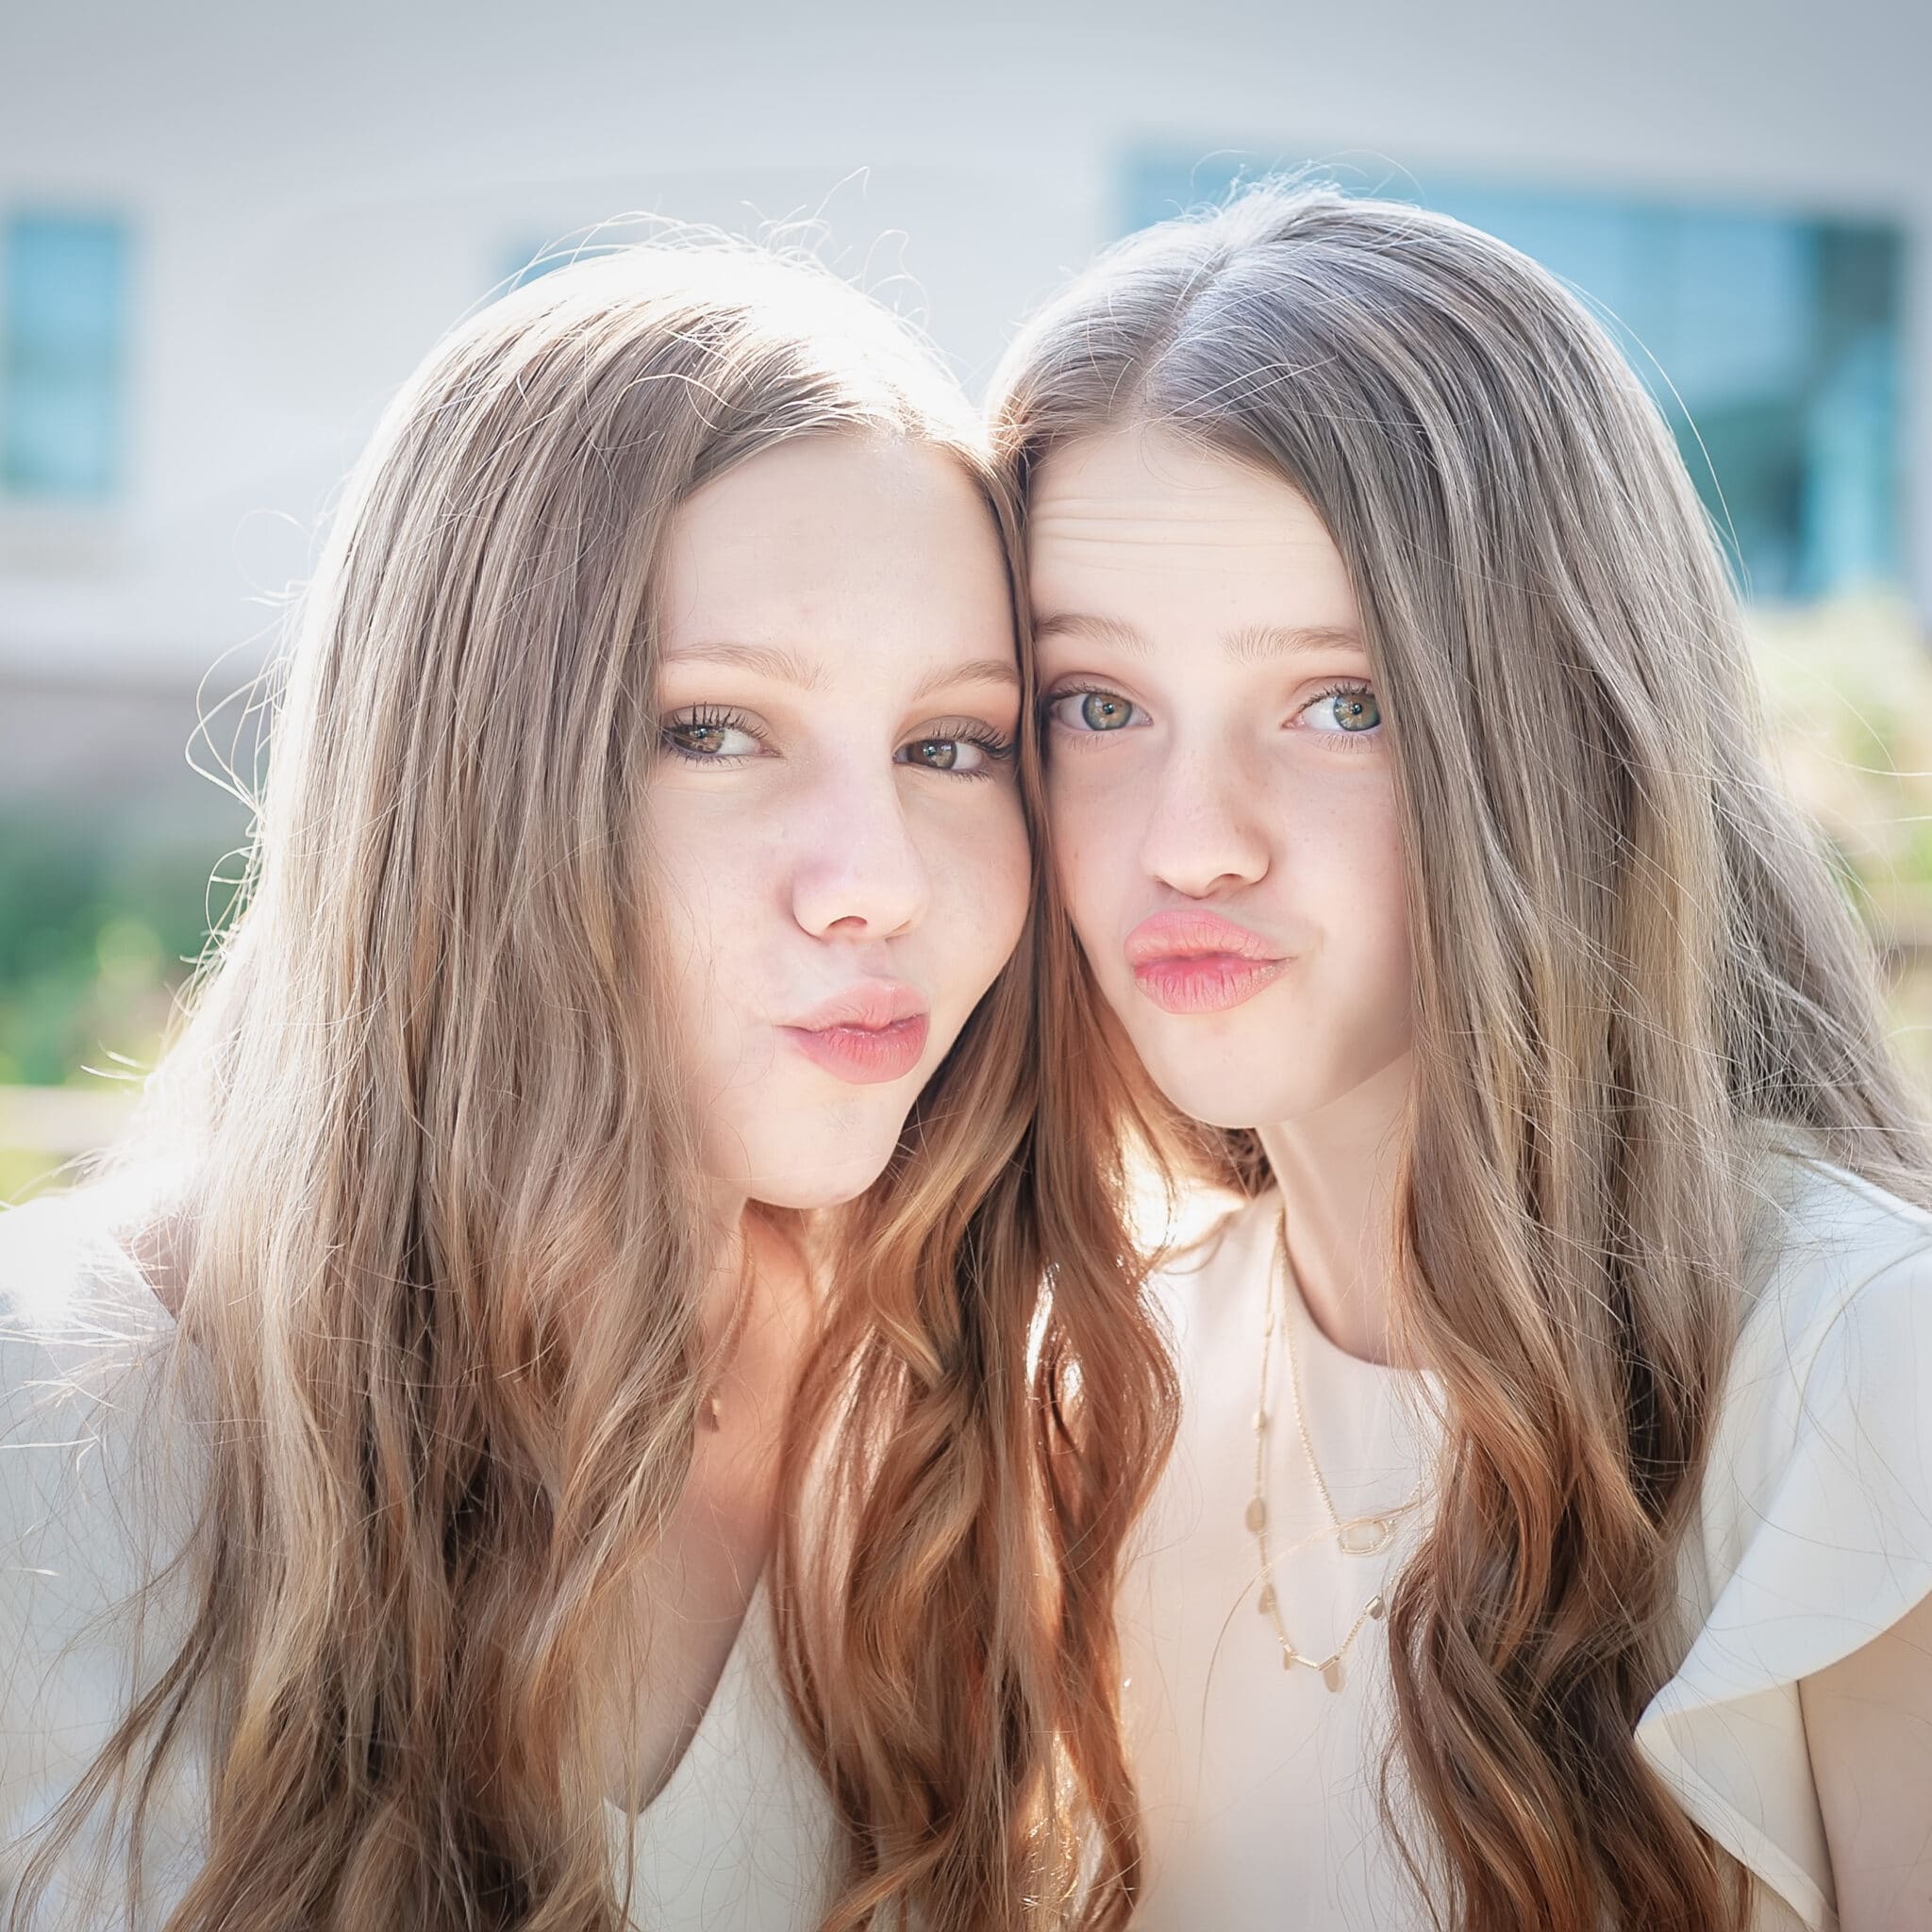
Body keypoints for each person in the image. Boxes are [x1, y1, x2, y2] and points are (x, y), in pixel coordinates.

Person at [0, 239, 1168, 1932]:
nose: (880, 879)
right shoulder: (60, 1417)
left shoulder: (1000, 1425)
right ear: (468, 777)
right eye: (713, 731)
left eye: (951, 745)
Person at [990, 183, 1932, 1932]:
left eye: (1340, 704)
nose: (1192, 843)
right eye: (1096, 705)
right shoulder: (1095, 1393)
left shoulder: (1869, 1384)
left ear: (1562, 732)